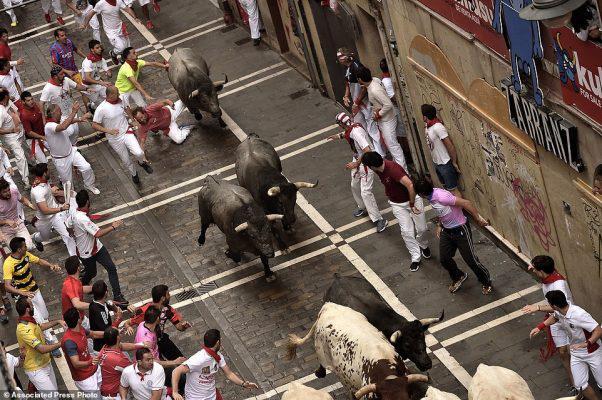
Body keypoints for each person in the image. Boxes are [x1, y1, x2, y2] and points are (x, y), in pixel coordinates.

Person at [414, 178, 492, 294]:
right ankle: (458, 276)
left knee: (471, 260)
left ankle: (486, 282)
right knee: (445, 259)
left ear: (422, 194)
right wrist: (440, 225)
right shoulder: (431, 198)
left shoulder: (442, 197)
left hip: (461, 230)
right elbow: (443, 212)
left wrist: (478, 218)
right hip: (447, 231)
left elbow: (466, 203)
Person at [361, 152, 430, 272]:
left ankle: (423, 244)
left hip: (412, 199)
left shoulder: (393, 170)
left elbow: (410, 185)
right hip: (397, 204)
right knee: (406, 232)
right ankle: (415, 257)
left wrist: (412, 204)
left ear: (372, 166)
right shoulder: (378, 168)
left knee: (422, 228)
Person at [530, 290, 602, 400]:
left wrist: (587, 343)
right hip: (576, 353)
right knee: (580, 385)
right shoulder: (560, 311)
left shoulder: (579, 314)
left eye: (548, 303)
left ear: (553, 305)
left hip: (592, 352)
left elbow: (598, 330)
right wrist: (539, 327)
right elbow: (555, 317)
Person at [522, 255, 576, 395]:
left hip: (567, 319)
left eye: (535, 269)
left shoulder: (558, 285)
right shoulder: (548, 275)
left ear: (541, 271)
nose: (533, 271)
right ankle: (575, 385)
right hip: (556, 319)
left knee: (576, 351)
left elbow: (559, 307)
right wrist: (532, 266)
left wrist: (537, 308)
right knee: (563, 353)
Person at [67, 189, 129, 307]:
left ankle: (118, 296)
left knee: (111, 268)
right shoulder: (82, 219)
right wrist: (113, 226)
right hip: (87, 252)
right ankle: (82, 285)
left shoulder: (74, 213)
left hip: (97, 247)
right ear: (88, 202)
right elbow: (98, 233)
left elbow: (68, 224)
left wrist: (71, 232)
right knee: (92, 272)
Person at [328, 112, 387, 232]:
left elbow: (367, 150)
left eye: (339, 124)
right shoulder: (352, 127)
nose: (339, 126)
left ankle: (379, 219)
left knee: (366, 192)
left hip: (366, 163)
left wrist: (356, 163)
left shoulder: (356, 132)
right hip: (358, 160)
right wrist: (337, 136)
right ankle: (362, 206)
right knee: (354, 185)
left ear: (342, 123)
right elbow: (346, 134)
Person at [4, 237, 63, 351]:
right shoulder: (8, 264)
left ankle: (46, 337)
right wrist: (22, 292)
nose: (26, 247)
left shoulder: (26, 255)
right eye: (24, 246)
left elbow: (39, 261)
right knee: (39, 319)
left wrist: (51, 265)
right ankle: (50, 342)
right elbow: (7, 286)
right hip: (24, 298)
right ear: (19, 249)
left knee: (45, 316)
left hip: (35, 290)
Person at [172, 329, 259, 400]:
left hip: (212, 395)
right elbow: (176, 371)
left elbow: (229, 374)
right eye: (220, 339)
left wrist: (243, 384)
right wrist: (175, 392)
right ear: (217, 342)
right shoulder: (199, 359)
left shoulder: (218, 356)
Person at [91, 85, 153, 184]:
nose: (119, 94)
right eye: (117, 93)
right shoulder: (101, 109)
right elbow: (94, 125)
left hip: (126, 132)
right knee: (126, 160)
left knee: (139, 153)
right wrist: (108, 131)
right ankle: (134, 174)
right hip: (114, 139)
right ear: (110, 95)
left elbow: (126, 107)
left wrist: (132, 119)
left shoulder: (121, 99)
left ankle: (141, 162)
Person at [356, 66, 407, 171]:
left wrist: (378, 114)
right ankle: (399, 167)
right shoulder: (374, 81)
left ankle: (404, 172)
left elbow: (388, 105)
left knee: (393, 146)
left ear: (360, 79)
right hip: (386, 119)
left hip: (387, 120)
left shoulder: (374, 90)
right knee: (392, 145)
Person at [124, 284, 191, 361]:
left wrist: (184, 326)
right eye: (168, 294)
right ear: (162, 298)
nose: (170, 296)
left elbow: (179, 327)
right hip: (149, 343)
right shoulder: (144, 310)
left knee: (181, 360)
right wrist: (128, 327)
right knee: (160, 365)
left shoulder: (168, 310)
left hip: (161, 339)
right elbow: (127, 323)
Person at [336, 48, 382, 157]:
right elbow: (347, 83)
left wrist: (356, 102)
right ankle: (368, 149)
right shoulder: (347, 68)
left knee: (372, 127)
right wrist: (346, 95)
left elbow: (363, 87)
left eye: (340, 56)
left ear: (346, 57)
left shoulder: (357, 67)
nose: (339, 59)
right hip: (357, 103)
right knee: (359, 125)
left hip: (364, 103)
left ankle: (380, 153)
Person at [44, 103, 99, 194]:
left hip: (71, 151)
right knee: (68, 183)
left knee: (86, 167)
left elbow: (69, 121)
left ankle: (89, 185)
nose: (61, 113)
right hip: (61, 159)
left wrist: (80, 119)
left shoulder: (59, 120)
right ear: (53, 113)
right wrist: (74, 111)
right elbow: (63, 126)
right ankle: (71, 197)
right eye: (59, 112)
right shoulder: (49, 126)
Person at [15, 297, 64, 391]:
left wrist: (58, 321)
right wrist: (61, 343)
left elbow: (41, 327)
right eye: (31, 305)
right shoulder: (24, 329)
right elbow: (41, 349)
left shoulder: (29, 320)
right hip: (35, 369)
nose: (33, 306)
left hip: (45, 362)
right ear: (27, 309)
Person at [134, 307, 187, 393]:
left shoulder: (143, 324)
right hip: (152, 368)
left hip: (156, 358)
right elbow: (152, 362)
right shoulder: (147, 340)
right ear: (157, 319)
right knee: (180, 378)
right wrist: (174, 362)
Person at [30, 163, 77, 255]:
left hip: (55, 216)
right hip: (44, 219)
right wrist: (61, 208)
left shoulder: (43, 181)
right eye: (48, 170)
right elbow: (45, 210)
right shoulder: (38, 191)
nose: (49, 171)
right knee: (44, 237)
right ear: (44, 173)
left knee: (68, 236)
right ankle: (36, 238)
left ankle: (76, 260)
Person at [40, 66, 90, 145]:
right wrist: (43, 120)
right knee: (69, 131)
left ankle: (72, 146)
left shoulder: (65, 80)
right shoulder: (48, 88)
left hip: (71, 111)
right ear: (55, 77)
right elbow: (41, 103)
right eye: (61, 74)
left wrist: (87, 89)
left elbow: (77, 86)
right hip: (61, 116)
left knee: (75, 132)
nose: (63, 75)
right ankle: (65, 146)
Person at [82, 0, 141, 66]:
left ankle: (123, 58)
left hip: (120, 28)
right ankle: (113, 54)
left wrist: (135, 18)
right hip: (110, 31)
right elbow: (91, 13)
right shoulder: (101, 4)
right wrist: (85, 24)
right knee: (121, 47)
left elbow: (127, 9)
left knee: (127, 47)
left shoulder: (118, 1)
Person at [420, 104, 461, 197]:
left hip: (445, 163)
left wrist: (454, 162)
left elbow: (450, 146)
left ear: (425, 117)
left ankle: (461, 211)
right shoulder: (428, 126)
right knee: (447, 191)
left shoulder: (438, 127)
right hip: (437, 163)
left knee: (454, 191)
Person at [97, 327, 150, 397]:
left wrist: (141, 345)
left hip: (106, 389)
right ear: (118, 338)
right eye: (119, 333)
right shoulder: (118, 359)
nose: (120, 332)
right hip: (114, 395)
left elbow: (122, 346)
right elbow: (136, 369)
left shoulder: (106, 347)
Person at [61, 307, 100, 392]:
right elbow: (76, 363)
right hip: (85, 379)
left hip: (94, 368)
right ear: (78, 320)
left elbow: (93, 334)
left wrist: (111, 333)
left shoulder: (80, 329)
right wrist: (91, 362)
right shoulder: (69, 341)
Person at [379, 59, 410, 156]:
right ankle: (408, 153)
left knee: (400, 132)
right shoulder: (387, 82)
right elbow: (393, 98)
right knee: (403, 133)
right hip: (397, 110)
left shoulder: (385, 80)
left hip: (394, 110)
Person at [0, 89, 28, 188]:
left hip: (20, 132)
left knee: (27, 151)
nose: (10, 97)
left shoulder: (8, 102)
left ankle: (33, 164)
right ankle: (26, 181)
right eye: (8, 96)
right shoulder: (0, 112)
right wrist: (11, 130)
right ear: (4, 98)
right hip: (11, 138)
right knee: (21, 158)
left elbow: (16, 110)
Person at [0, 178, 36, 250]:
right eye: (4, 192)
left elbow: (22, 199)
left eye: (8, 190)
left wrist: (30, 204)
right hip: (5, 230)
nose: (8, 193)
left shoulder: (13, 191)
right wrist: (6, 221)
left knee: (28, 247)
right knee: (16, 251)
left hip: (18, 223)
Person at [89, 280, 123, 353]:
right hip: (104, 348)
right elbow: (109, 333)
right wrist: (117, 319)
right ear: (105, 293)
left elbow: (108, 304)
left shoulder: (95, 303)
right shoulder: (100, 312)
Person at [81, 40, 112, 111]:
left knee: (111, 97)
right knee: (103, 106)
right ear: (92, 50)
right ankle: (92, 107)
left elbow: (108, 71)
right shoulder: (87, 62)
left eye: (100, 47)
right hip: (89, 87)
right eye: (97, 48)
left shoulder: (102, 60)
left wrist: (109, 73)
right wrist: (101, 82)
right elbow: (87, 78)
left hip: (98, 84)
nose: (100, 49)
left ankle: (92, 106)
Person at [19, 91, 48, 164]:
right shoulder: (24, 115)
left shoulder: (35, 105)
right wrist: (42, 137)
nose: (31, 102)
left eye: (32, 99)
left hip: (43, 136)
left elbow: (41, 111)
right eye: (28, 100)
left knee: (56, 152)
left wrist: (44, 120)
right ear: (23, 102)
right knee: (43, 162)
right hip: (34, 141)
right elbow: (29, 132)